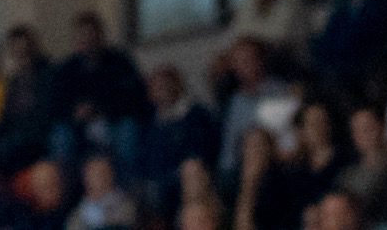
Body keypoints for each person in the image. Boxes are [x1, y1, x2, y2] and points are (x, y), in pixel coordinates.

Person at [53, 13, 150, 177]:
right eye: (82, 37)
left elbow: (134, 98)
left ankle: (130, 190)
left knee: (128, 131)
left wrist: (99, 109)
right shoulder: (66, 69)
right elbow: (57, 104)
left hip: (113, 122)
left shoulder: (121, 62)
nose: (88, 41)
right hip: (79, 128)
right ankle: (66, 193)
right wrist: (75, 113)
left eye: (92, 35)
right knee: (60, 136)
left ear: (101, 35)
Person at [138, 66, 222, 221]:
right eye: (156, 87)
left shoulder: (196, 115)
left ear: (177, 85)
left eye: (165, 85)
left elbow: (203, 152)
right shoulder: (150, 124)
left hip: (188, 178)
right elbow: (146, 160)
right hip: (158, 182)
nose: (161, 91)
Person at [220, 40, 300, 179]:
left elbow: (290, 135)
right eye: (239, 62)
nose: (245, 66)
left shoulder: (281, 91)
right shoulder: (235, 101)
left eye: (249, 60)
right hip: (244, 167)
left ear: (260, 61)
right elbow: (229, 147)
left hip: (280, 162)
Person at [0, 26, 63, 175]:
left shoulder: (48, 75)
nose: (21, 56)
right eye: (16, 52)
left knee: (6, 152)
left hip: (37, 135)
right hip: (16, 135)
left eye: (24, 51)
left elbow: (46, 115)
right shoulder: (14, 82)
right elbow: (5, 117)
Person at [341, 105, 387, 222]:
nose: (363, 135)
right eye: (357, 130)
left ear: (382, 127)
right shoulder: (347, 175)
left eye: (368, 128)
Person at [68, 155, 139, 230]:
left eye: (102, 172)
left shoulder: (126, 206)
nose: (99, 178)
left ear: (111, 174)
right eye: (93, 173)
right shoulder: (78, 213)